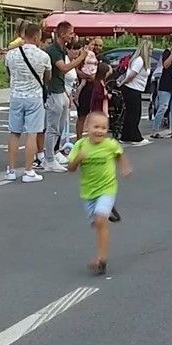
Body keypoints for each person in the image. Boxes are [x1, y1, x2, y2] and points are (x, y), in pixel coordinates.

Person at [68, 111, 130, 275]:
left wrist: (124, 166)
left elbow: (119, 153)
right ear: (87, 127)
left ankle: (101, 259)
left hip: (107, 188)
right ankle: (107, 210)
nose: (99, 131)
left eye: (104, 128)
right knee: (96, 223)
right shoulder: (81, 145)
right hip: (88, 192)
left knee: (100, 221)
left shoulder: (110, 144)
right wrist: (78, 159)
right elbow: (71, 169)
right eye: (96, 127)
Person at [4, 21, 50, 183]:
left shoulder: (11, 54)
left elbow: (8, 73)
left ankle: (10, 170)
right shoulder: (43, 56)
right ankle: (29, 170)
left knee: (14, 132)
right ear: (37, 37)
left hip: (16, 95)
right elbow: (47, 77)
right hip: (34, 97)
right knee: (32, 133)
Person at [43, 22, 88, 169]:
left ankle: (54, 153)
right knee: (53, 127)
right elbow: (63, 68)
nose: (73, 35)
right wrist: (81, 58)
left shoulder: (61, 49)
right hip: (54, 91)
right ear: (62, 34)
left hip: (61, 90)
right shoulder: (54, 50)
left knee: (61, 126)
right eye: (70, 33)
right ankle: (49, 159)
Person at [117, 39, 152, 143]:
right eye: (150, 49)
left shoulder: (142, 61)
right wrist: (123, 82)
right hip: (132, 88)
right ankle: (135, 136)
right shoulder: (139, 60)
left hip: (136, 88)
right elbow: (132, 74)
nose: (151, 51)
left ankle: (126, 136)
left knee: (131, 113)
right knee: (134, 114)